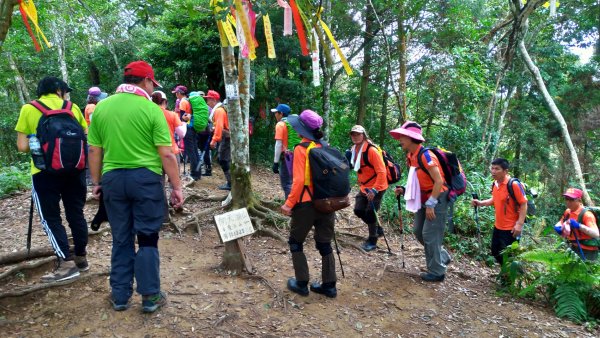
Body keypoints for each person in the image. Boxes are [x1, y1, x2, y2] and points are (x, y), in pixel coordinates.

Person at [88, 60, 183, 313]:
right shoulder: (152, 110)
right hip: (146, 181)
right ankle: (150, 297)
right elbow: (167, 155)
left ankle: (120, 296)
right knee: (148, 238)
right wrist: (177, 187)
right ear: (147, 81)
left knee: (121, 239)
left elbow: (95, 150)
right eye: (153, 83)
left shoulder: (101, 109)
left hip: (113, 181)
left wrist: (96, 182)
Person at [15, 76, 89, 282]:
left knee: (51, 218)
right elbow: (85, 135)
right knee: (76, 213)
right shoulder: (72, 107)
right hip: (75, 170)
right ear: (58, 90)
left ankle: (66, 263)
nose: (66, 94)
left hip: (44, 172)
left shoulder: (29, 109)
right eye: (65, 90)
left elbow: (21, 147)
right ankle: (81, 258)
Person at [281, 109, 337, 298]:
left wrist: (289, 204)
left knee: (295, 242)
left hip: (305, 204)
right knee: (324, 244)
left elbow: (297, 182)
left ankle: (302, 283)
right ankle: (329, 286)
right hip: (327, 203)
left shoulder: (301, 149)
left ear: (301, 130)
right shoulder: (324, 146)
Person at [390, 121, 451, 282]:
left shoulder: (426, 156)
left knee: (430, 234)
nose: (400, 140)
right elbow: (416, 178)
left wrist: (431, 204)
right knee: (418, 231)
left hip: (437, 198)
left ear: (412, 138)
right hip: (423, 197)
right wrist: (404, 188)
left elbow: (439, 182)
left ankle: (437, 272)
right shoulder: (411, 156)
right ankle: (442, 256)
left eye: (403, 136)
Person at [471, 158, 527, 265]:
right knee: (495, 251)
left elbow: (524, 203)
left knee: (508, 256)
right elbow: (495, 199)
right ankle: (506, 275)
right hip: (498, 226)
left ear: (505, 171)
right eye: (492, 168)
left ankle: (510, 279)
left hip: (511, 228)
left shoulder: (513, 185)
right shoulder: (495, 184)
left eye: (497, 169)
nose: (493, 171)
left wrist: (519, 224)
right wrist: (480, 203)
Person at [348, 125, 388, 251]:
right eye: (353, 134)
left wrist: (375, 190)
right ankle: (377, 229)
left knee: (371, 212)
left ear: (363, 135)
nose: (355, 136)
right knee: (358, 210)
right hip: (364, 186)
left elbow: (382, 172)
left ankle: (372, 240)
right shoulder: (354, 149)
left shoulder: (372, 151)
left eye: (358, 134)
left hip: (378, 186)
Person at [152, 90, 186, 222]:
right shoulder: (171, 115)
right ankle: (177, 205)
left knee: (159, 186)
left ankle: (164, 216)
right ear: (165, 102)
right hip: (172, 152)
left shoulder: (149, 115)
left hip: (156, 155)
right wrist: (184, 123)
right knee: (174, 182)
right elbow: (182, 134)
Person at [554, 188, 599, 261]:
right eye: (566, 199)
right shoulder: (568, 212)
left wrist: (579, 226)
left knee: (586, 271)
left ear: (579, 200)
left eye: (571, 199)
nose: (568, 202)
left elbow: (596, 234)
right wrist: (557, 227)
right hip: (573, 248)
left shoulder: (587, 215)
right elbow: (561, 222)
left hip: (588, 251)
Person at [271, 103, 300, 199]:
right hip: (299, 154)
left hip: (288, 157)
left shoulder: (280, 124)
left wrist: (275, 162)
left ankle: (290, 206)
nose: (275, 115)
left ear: (281, 113)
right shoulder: (295, 123)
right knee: (295, 180)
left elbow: (278, 144)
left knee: (287, 182)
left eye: (276, 113)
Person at [174, 85, 201, 180]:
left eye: (176, 93)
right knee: (194, 151)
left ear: (180, 93)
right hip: (192, 127)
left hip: (187, 129)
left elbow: (182, 117)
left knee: (191, 151)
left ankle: (194, 174)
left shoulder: (183, 102)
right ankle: (198, 173)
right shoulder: (189, 101)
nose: (176, 95)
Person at [206, 90, 231, 190]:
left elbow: (220, 126)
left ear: (214, 100)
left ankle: (231, 183)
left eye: (208, 100)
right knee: (225, 159)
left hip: (226, 137)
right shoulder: (220, 109)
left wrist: (214, 140)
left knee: (224, 160)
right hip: (226, 136)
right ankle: (231, 182)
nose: (207, 103)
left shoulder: (219, 111)